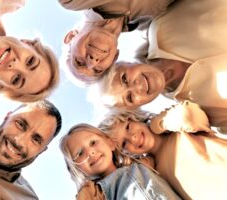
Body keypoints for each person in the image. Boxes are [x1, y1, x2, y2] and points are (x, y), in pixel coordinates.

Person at [99, 101, 227, 199]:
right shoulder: (154, 171)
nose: (133, 138)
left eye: (128, 127)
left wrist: (157, 124)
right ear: (126, 153)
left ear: (136, 118)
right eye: (124, 143)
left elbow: (188, 115)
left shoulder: (174, 128)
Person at [98, 59, 227, 133]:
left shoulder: (162, 25)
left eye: (124, 78)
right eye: (130, 98)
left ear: (126, 63)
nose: (137, 87)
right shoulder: (210, 113)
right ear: (139, 106)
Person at [60, 0, 173, 84]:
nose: (92, 62)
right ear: (115, 57)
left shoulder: (72, 1)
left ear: (71, 37)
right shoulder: (154, 23)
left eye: (79, 62)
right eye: (98, 70)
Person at [59, 123, 180, 200]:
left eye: (93, 143)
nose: (90, 152)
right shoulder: (93, 192)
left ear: (110, 143)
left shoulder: (139, 164)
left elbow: (156, 146)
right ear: (78, 170)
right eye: (80, 154)